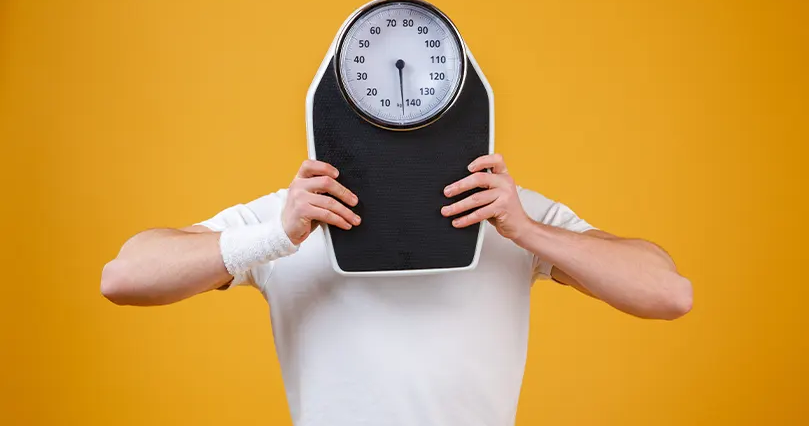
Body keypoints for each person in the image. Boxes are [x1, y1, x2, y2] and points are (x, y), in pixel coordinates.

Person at [101, 154, 692, 426]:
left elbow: (667, 292)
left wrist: (528, 231)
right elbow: (125, 277)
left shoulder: (506, 214)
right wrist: (276, 236)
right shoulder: (288, 217)